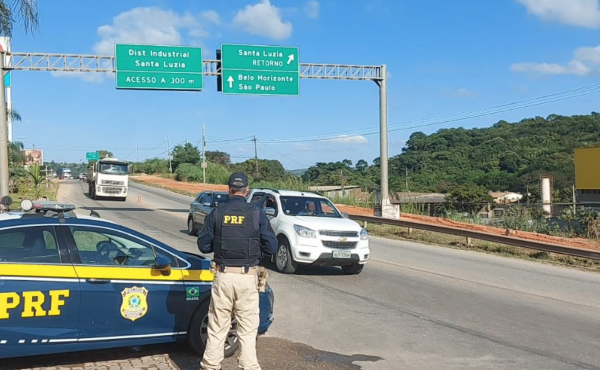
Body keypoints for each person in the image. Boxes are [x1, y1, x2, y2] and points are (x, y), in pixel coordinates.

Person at [197, 172, 277, 370]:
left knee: (217, 326)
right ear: (247, 191)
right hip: (248, 278)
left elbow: (204, 245)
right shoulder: (257, 214)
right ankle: (248, 366)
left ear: (228, 190)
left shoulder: (217, 213)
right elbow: (272, 247)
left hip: (223, 276)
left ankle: (210, 366)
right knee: (248, 329)